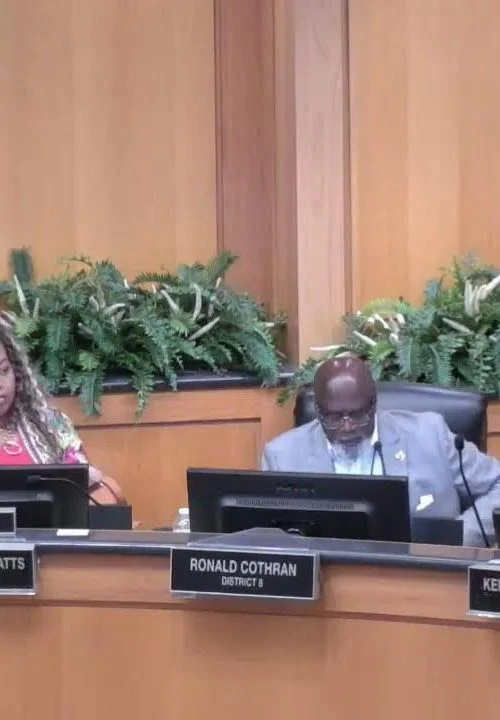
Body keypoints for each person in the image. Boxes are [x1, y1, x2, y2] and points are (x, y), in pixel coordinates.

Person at [262, 356, 500, 547]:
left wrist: (460, 537)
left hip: (425, 575)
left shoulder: (430, 434)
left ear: (374, 404)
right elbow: (273, 539)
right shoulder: (282, 456)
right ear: (318, 410)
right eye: (334, 418)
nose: (347, 427)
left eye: (357, 415)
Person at [0, 318, 125, 506]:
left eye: (4, 370)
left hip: (47, 525)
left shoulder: (49, 423)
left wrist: (89, 481)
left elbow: (81, 492)